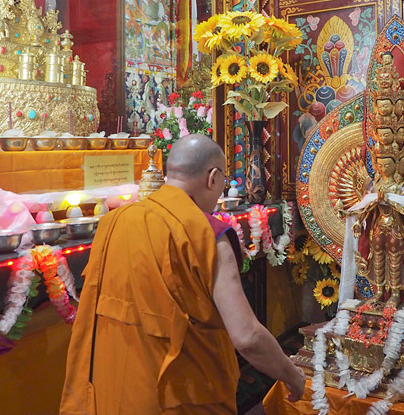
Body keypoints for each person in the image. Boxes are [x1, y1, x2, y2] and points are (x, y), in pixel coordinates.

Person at [60, 134, 305, 414]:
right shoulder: (207, 234)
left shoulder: (114, 222)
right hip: (176, 398)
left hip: (114, 391)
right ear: (213, 178)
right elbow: (247, 336)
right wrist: (292, 376)